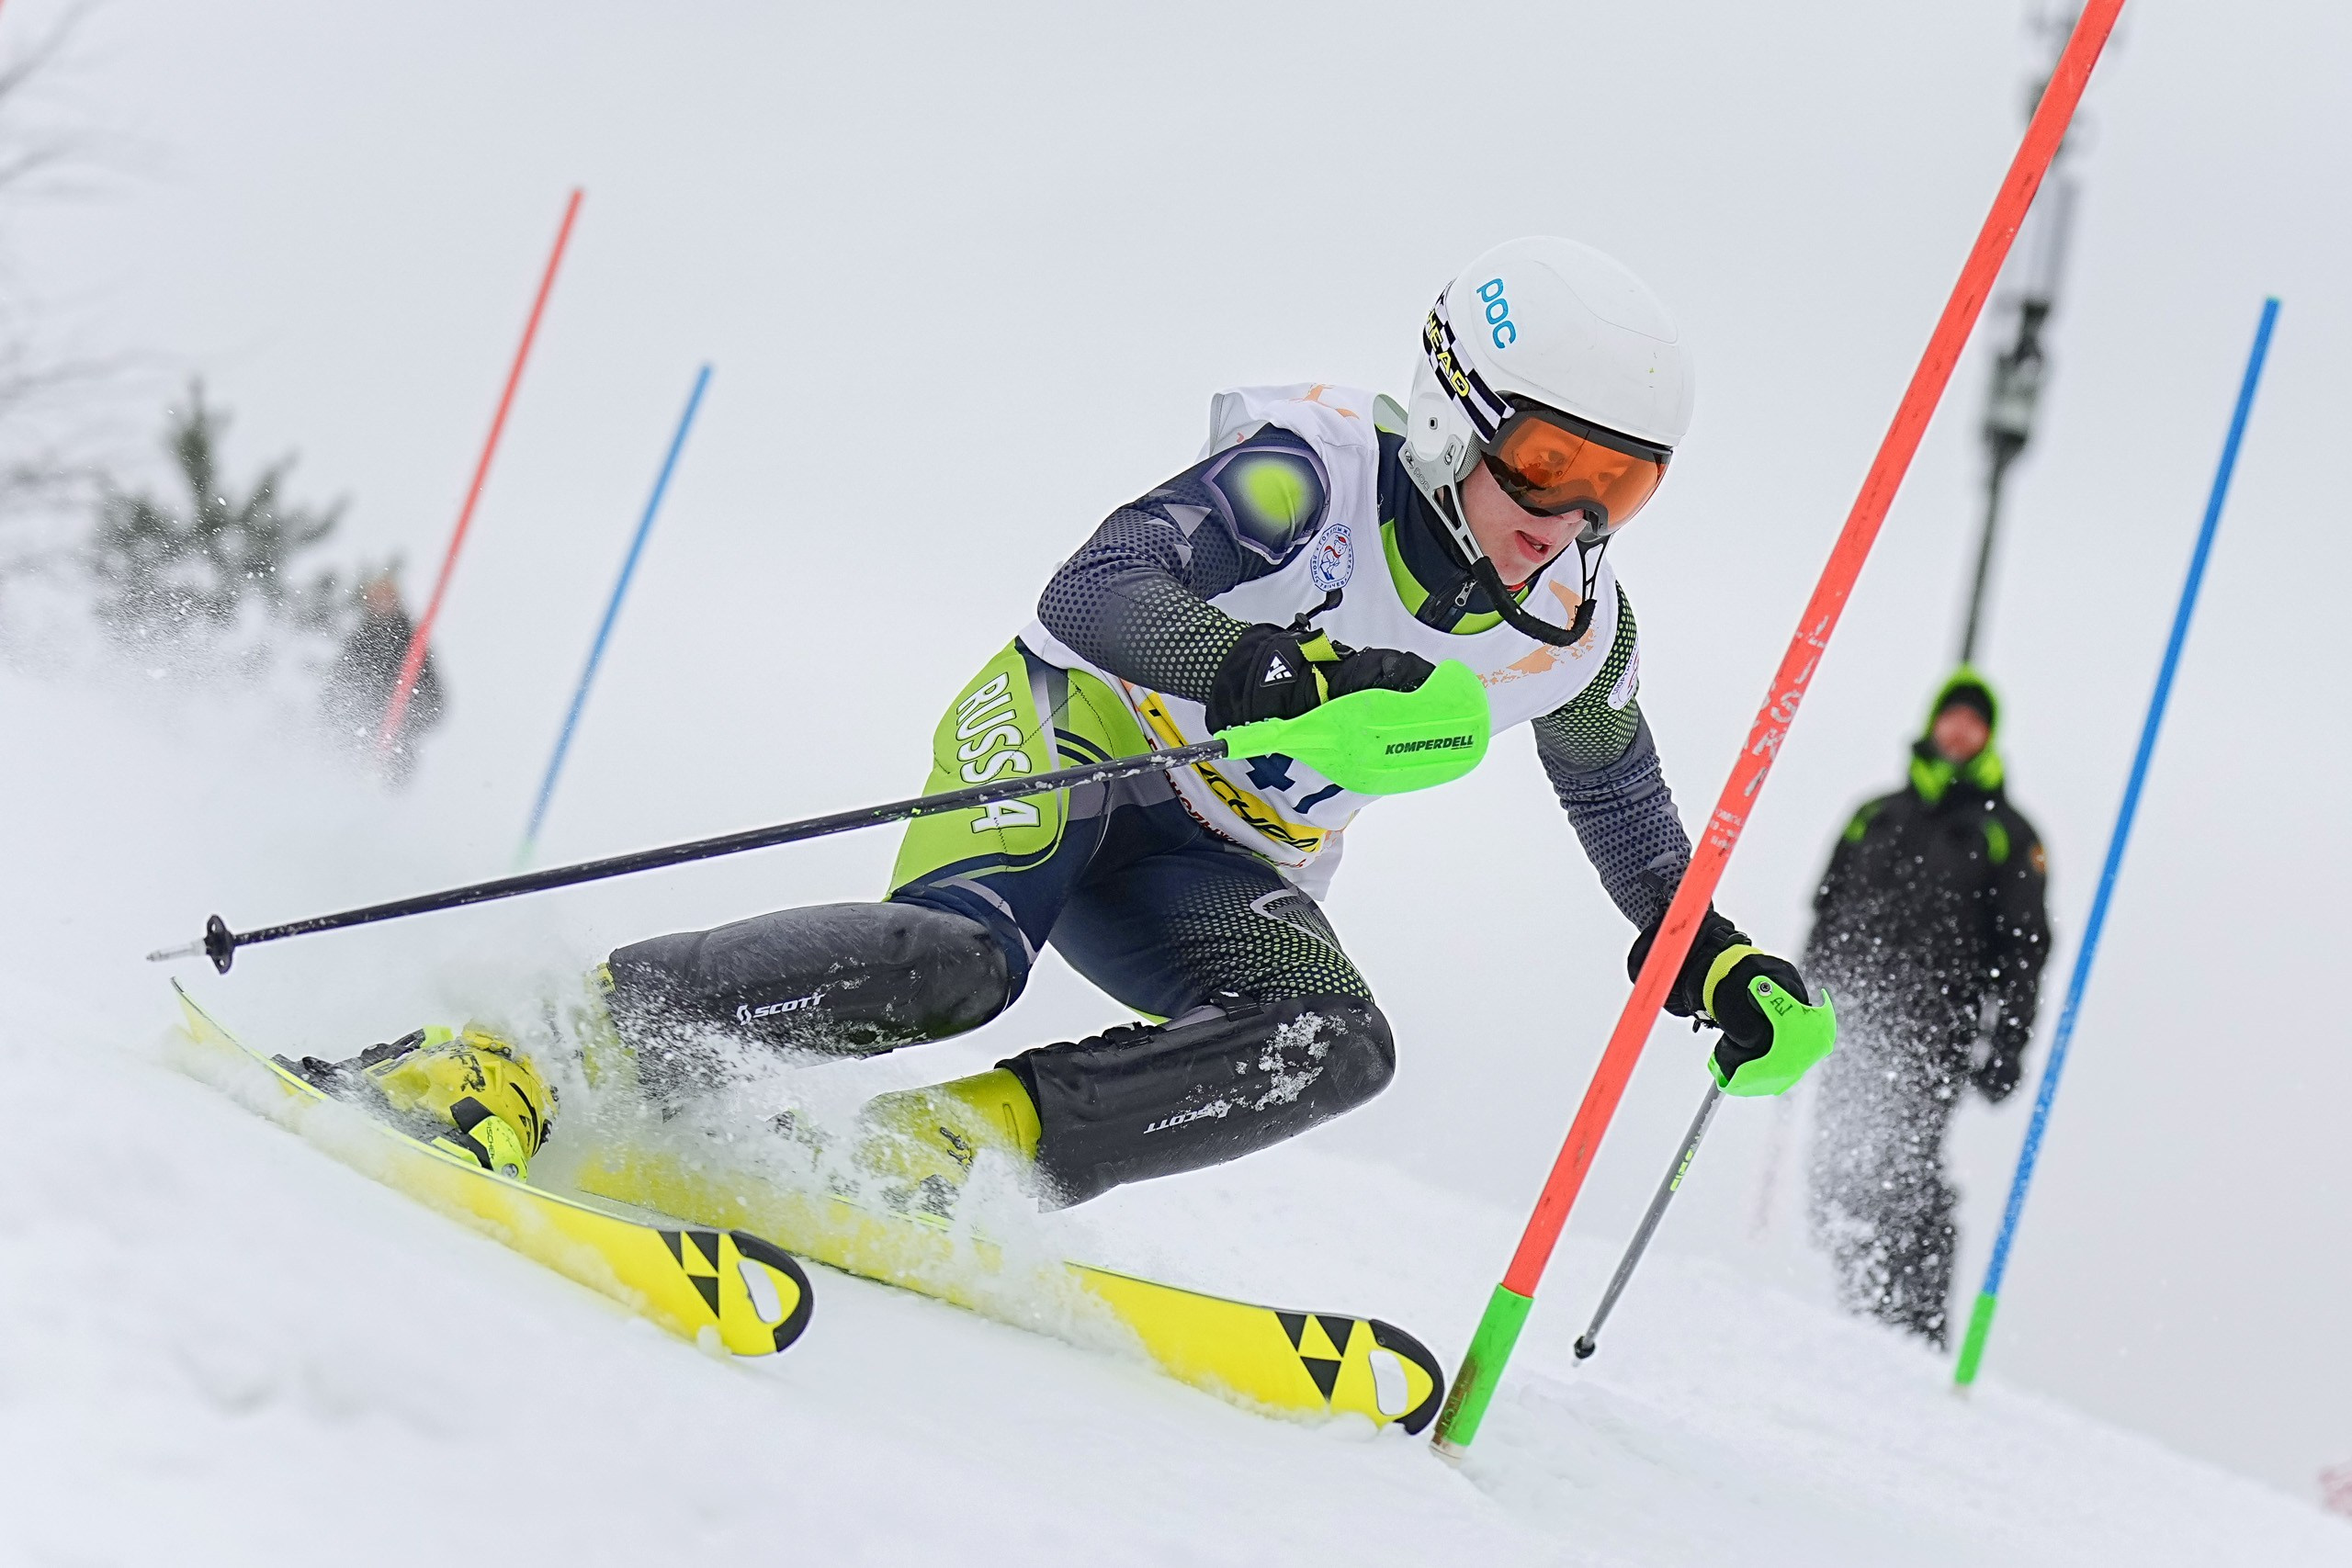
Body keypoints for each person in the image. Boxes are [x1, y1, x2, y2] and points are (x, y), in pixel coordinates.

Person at [313, 237, 1835, 1212]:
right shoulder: (1309, 477)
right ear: (1450, 410)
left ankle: (942, 1154)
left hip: (1220, 859)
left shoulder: (1571, 626)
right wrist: (1277, 673)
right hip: (1076, 741)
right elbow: (1099, 589)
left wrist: (1713, 954)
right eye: (1551, 461)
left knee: (1332, 1044)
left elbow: (1629, 816)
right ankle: (523, 1048)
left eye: (1621, 487)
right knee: (960, 963)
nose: (1569, 520)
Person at [1804, 668, 2050, 1346]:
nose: (1960, 729)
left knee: (1904, 1173)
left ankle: (1915, 1326)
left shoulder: (2005, 833)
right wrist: (1794, 1006)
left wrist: (2008, 1045)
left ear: (1988, 735)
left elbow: (2023, 951)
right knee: (1838, 1167)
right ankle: (1854, 1309)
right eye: (1953, 715)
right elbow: (1827, 916)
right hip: (1849, 1021)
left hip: (1933, 1033)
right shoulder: (1875, 814)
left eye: (1975, 720)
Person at [321, 572, 445, 784]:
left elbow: (434, 703)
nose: (381, 604)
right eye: (375, 599)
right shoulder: (359, 642)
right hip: (358, 750)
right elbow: (335, 694)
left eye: (386, 598)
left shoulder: (412, 643)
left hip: (398, 753)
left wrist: (405, 722)